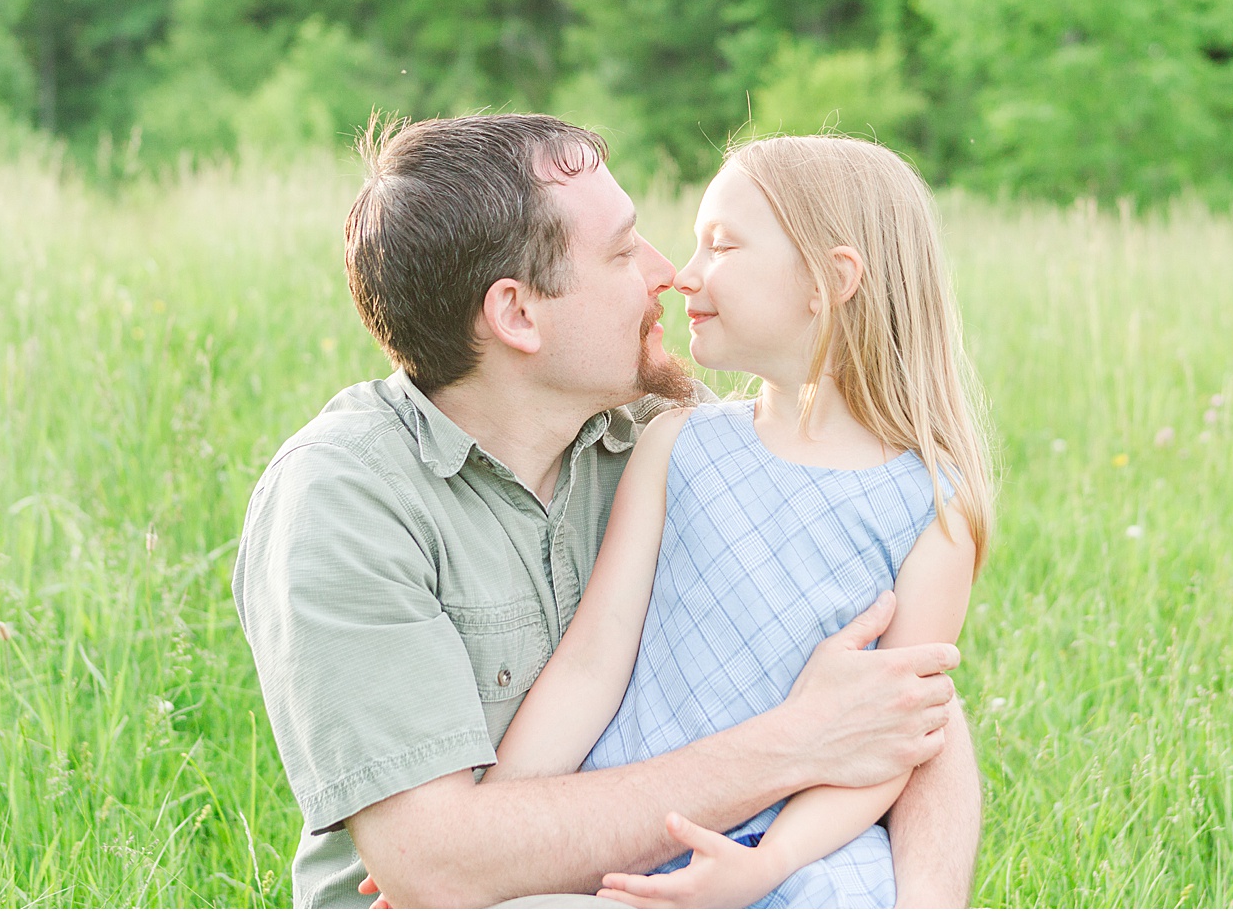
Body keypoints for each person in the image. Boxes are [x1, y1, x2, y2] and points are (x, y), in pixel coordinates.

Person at [232, 114, 982, 908]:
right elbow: (438, 865)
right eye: (624, 252)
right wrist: (793, 743)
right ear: (518, 314)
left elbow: (906, 709)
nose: (669, 272)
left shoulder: (665, 434)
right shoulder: (346, 503)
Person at [486, 134, 993, 907]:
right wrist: (491, 821)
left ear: (831, 280)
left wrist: (770, 860)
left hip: (803, 859)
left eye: (720, 245)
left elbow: (896, 740)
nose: (684, 274)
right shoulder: (678, 444)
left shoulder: (933, 506)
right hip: (632, 833)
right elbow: (592, 661)